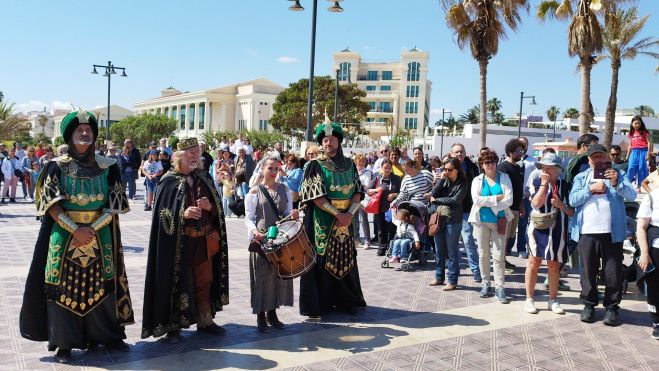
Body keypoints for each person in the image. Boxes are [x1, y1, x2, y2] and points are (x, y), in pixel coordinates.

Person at [19, 109, 133, 363]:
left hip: (100, 233)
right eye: (80, 131)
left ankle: (107, 335)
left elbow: (115, 205)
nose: (85, 133)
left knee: (102, 285)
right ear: (70, 136)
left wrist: (91, 229)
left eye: (89, 131)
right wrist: (76, 229)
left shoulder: (109, 166)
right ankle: (63, 343)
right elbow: (51, 205)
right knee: (61, 287)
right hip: (64, 232)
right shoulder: (55, 167)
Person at [142, 137, 230, 341]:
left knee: (204, 282)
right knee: (176, 282)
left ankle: (205, 321)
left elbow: (217, 208)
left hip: (204, 242)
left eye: (196, 153)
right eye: (190, 153)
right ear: (178, 157)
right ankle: (173, 326)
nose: (194, 156)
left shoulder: (204, 177)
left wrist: (211, 207)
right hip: (178, 244)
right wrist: (182, 214)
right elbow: (162, 215)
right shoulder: (168, 181)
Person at [299, 121, 366, 318]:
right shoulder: (314, 165)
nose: (329, 143)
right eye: (325, 140)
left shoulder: (350, 164)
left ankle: (347, 300)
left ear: (339, 142)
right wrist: (338, 216)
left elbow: (357, 193)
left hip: (347, 219)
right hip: (324, 220)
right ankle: (323, 302)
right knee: (323, 261)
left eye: (333, 140)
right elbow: (317, 197)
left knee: (346, 259)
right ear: (321, 143)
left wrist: (349, 215)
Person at [569, 143, 636, 326]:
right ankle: (589, 305)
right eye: (594, 157)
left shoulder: (618, 174)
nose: (598, 160)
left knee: (613, 272)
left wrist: (616, 183)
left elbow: (631, 194)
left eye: (601, 157)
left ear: (608, 158)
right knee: (587, 272)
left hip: (612, 233)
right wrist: (590, 189)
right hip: (587, 232)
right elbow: (573, 200)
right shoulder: (582, 177)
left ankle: (612, 307)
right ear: (589, 160)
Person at [245, 153, 298, 332]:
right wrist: (254, 232)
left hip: (279, 239)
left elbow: (287, 214)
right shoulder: (254, 191)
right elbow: (249, 218)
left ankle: (272, 314)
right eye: (270, 168)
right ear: (262, 169)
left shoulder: (285, 190)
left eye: (276, 168)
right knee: (261, 278)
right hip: (261, 240)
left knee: (277, 276)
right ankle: (260, 316)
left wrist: (293, 216)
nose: (274, 172)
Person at [524, 152, 572, 315]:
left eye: (549, 168)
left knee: (553, 264)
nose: (546, 171)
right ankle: (529, 299)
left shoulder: (566, 185)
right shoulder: (537, 181)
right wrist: (544, 185)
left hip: (558, 227)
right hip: (538, 226)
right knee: (533, 262)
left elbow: (571, 212)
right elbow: (536, 203)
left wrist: (560, 205)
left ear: (558, 169)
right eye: (543, 167)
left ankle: (553, 299)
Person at [469, 150, 514, 304]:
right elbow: (476, 200)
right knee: (483, 254)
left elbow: (509, 200)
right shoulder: (477, 180)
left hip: (500, 221)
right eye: (487, 162)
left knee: (499, 256)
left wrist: (488, 201)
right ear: (482, 165)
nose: (490, 165)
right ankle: (486, 283)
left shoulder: (505, 178)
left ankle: (500, 287)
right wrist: (496, 198)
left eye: (492, 162)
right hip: (481, 221)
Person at [429, 157, 468, 290]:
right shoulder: (443, 180)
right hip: (440, 218)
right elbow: (432, 194)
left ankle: (452, 280)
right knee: (439, 250)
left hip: (453, 219)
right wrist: (440, 180)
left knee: (452, 252)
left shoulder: (463, 182)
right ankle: (439, 277)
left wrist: (437, 200)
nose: (447, 172)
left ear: (457, 170)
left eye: (450, 170)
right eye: (445, 169)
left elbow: (456, 200)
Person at [450, 143, 482, 283]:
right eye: (456, 152)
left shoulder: (472, 167)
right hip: (451, 210)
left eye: (461, 151)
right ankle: (454, 270)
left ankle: (475, 270)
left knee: (468, 240)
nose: (459, 154)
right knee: (452, 243)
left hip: (466, 210)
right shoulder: (448, 166)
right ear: (451, 154)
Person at [497, 139, 526, 271]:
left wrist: (521, 205)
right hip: (505, 208)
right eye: (518, 151)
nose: (520, 153)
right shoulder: (503, 167)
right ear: (510, 152)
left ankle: (503, 259)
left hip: (515, 208)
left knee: (509, 236)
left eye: (522, 150)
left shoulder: (519, 167)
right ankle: (499, 262)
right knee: (502, 237)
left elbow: (518, 188)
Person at [634, 185, 659, 339]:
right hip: (655, 250)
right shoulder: (652, 197)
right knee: (655, 287)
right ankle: (657, 322)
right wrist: (644, 253)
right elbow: (641, 228)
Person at [370, 159, 401, 255]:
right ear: (381, 168)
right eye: (385, 168)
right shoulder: (377, 178)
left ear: (391, 168)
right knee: (381, 229)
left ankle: (391, 248)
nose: (387, 170)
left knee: (392, 229)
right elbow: (368, 190)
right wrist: (377, 189)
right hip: (379, 207)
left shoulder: (396, 178)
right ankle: (382, 247)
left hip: (392, 208)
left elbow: (402, 192)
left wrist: (394, 195)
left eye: (389, 168)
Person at [517, 137, 536, 260]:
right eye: (520, 144)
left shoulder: (532, 161)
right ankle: (508, 248)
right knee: (513, 225)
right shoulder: (512, 160)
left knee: (525, 224)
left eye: (525, 144)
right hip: (515, 197)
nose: (523, 146)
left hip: (527, 197)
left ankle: (522, 248)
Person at [353, 153, 374, 249]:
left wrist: (356, 185)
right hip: (353, 198)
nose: (360, 163)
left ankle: (367, 240)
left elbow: (366, 185)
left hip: (362, 198)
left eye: (362, 161)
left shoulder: (367, 172)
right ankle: (356, 239)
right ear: (356, 161)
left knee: (364, 219)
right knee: (354, 219)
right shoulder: (352, 171)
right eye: (359, 160)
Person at [626, 115, 652, 189]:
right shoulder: (630, 133)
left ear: (641, 124)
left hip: (643, 151)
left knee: (641, 169)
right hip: (634, 152)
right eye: (635, 123)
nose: (637, 125)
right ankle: (627, 185)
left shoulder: (644, 132)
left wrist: (648, 154)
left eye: (639, 123)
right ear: (632, 124)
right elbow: (630, 145)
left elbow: (649, 143)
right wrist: (627, 156)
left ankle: (639, 186)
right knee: (631, 167)